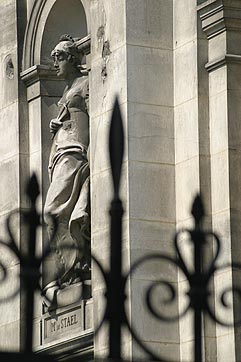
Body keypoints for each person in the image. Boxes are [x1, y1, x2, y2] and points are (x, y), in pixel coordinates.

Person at [43, 34, 90, 296]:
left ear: (72, 59)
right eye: (53, 58)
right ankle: (70, 269)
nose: (55, 62)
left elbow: (87, 126)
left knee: (52, 211)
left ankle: (71, 266)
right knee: (53, 214)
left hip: (73, 154)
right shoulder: (67, 90)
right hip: (61, 155)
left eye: (59, 57)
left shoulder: (83, 84)